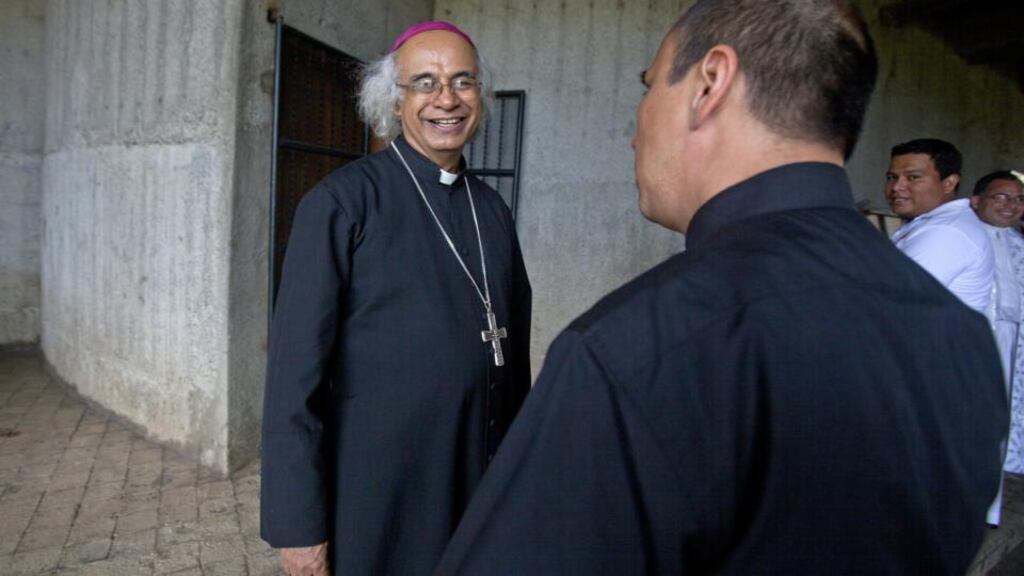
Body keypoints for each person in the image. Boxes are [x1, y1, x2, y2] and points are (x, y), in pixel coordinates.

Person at [434, 1, 1006, 574]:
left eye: (648, 87)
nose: (634, 135)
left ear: (710, 82)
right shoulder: (962, 337)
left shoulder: (635, 349)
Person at [259, 21, 532, 576]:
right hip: (380, 494)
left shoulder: (493, 212)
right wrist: (299, 528)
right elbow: (294, 380)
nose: (447, 100)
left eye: (463, 81)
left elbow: (514, 355)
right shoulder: (341, 204)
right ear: (394, 99)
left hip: (480, 478)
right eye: (425, 83)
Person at [886, 138, 995, 314]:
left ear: (949, 183)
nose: (896, 187)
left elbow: (894, 299)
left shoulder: (947, 232)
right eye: (892, 177)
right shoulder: (934, 223)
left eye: (913, 177)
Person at [971, 170, 1024, 525]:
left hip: (1012, 343)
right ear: (977, 201)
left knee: (999, 423)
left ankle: (988, 509)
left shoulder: (1019, 243)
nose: (1010, 206)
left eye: (1018, 199)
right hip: (975, 339)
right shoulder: (965, 238)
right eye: (1001, 197)